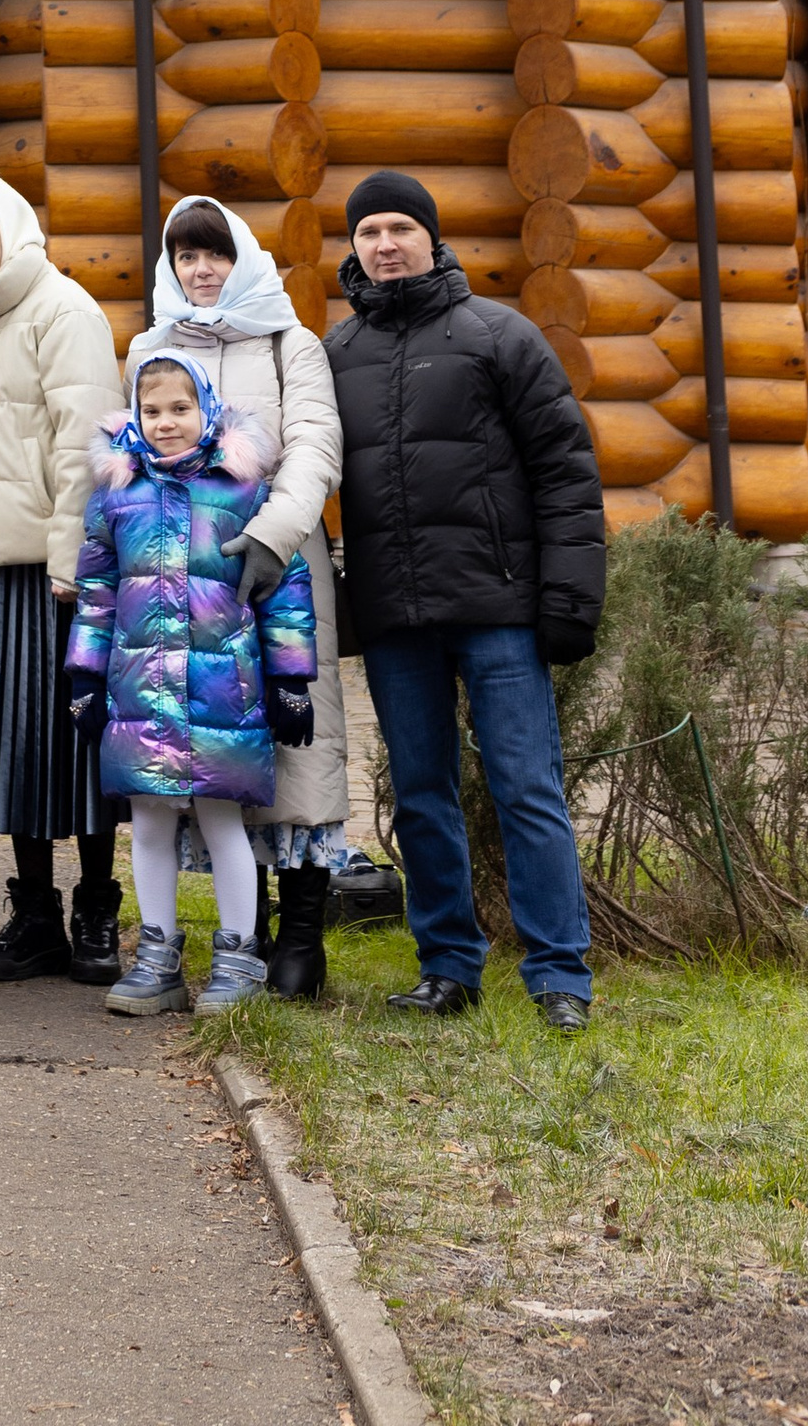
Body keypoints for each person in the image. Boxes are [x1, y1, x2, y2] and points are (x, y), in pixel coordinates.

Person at [325, 168, 606, 1031]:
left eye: (401, 229)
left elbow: (566, 473)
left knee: (527, 788)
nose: (385, 245)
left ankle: (561, 977)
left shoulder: (500, 336)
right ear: (356, 249)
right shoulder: (335, 356)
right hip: (397, 617)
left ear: (432, 238)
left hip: (499, 610)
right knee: (421, 793)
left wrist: (568, 600)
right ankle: (449, 967)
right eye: (370, 233)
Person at [128, 195, 353, 1001]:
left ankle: (299, 936)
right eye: (186, 255)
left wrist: (274, 533)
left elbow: (315, 444)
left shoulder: (292, 343)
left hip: (278, 566)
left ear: (242, 256)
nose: (201, 268)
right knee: (211, 747)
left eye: (214, 252)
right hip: (180, 579)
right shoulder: (150, 347)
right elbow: (134, 452)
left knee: (297, 745)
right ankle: (238, 937)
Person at [67, 350, 318, 1017]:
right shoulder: (117, 496)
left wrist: (292, 678)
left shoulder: (242, 490)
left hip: (223, 691)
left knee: (221, 821)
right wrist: (84, 674)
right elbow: (95, 590)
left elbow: (285, 587)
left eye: (180, 409)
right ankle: (158, 958)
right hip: (139, 689)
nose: (166, 422)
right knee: (147, 823)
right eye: (152, 411)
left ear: (206, 409)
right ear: (135, 416)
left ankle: (238, 957)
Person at [0, 163, 126, 986]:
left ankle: (95, 909)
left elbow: (86, 448)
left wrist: (72, 560)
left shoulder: (63, 309)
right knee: (14, 743)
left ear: (8, 223)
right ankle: (36, 912)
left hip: (53, 572)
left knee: (75, 741)